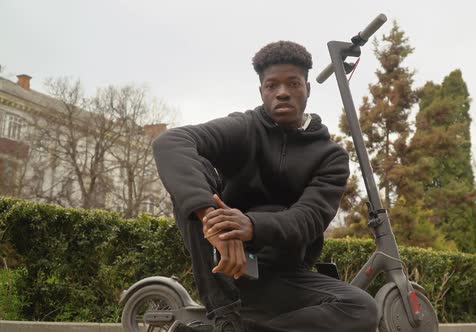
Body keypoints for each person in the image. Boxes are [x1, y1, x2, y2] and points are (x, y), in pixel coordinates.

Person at [152, 40, 378, 332]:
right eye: (272, 86)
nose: (282, 93)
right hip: (227, 267)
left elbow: (308, 219)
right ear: (262, 92)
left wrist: (251, 225)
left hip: (285, 277)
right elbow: (170, 142)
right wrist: (214, 222)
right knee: (192, 180)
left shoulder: (330, 156)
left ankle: (233, 329)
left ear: (307, 88)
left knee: (362, 309)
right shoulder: (244, 128)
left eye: (293, 83)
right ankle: (225, 314)